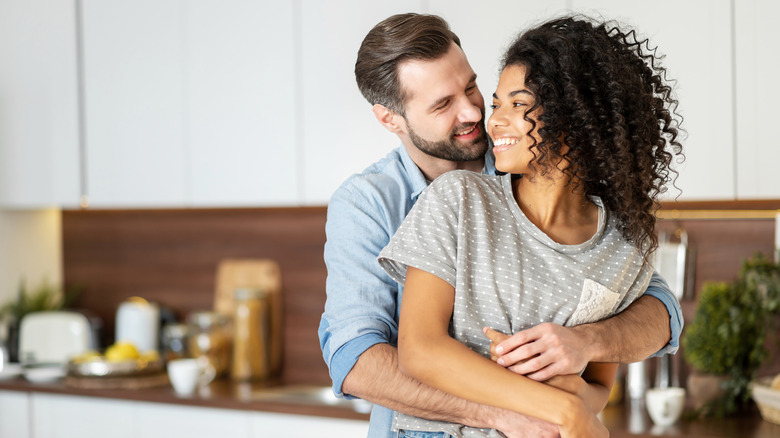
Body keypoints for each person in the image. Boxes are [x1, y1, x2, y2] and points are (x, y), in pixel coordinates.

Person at [319, 13, 683, 438]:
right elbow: (357, 360)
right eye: (443, 104)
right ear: (390, 119)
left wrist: (586, 353)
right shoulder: (371, 202)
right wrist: (517, 413)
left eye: (472, 87)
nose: (474, 111)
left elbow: (653, 309)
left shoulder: (537, 161)